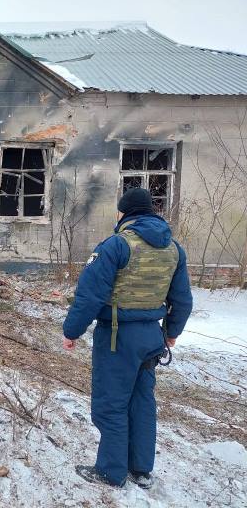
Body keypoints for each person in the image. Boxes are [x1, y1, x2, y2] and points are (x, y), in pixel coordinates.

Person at [62, 188, 193, 489]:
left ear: (124, 213)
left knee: (111, 403)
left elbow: (89, 296)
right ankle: (141, 469)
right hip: (152, 337)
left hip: (118, 336)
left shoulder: (116, 246)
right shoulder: (174, 249)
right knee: (142, 401)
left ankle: (111, 472)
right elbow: (183, 300)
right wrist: (171, 333)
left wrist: (72, 332)